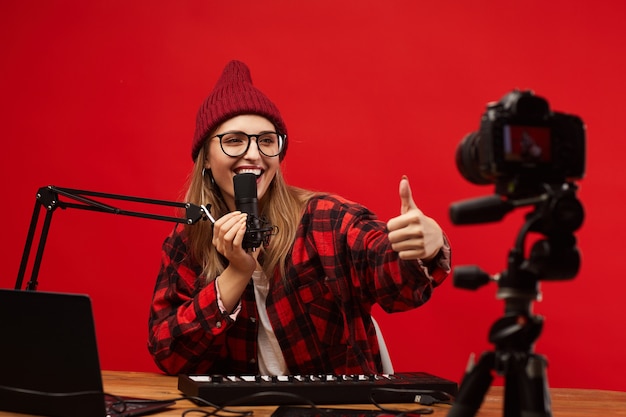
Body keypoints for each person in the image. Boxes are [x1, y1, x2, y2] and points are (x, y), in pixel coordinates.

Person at [148, 60, 451, 377]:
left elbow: (393, 280)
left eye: (266, 141)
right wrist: (236, 274)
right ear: (206, 159)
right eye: (234, 140)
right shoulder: (187, 241)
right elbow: (170, 355)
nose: (253, 154)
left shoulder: (324, 221)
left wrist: (425, 247)